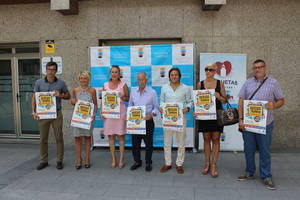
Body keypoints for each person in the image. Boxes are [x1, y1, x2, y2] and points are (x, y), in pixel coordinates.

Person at [237, 59, 284, 190]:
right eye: (255, 67)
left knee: (265, 150)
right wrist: (240, 119)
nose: (257, 69)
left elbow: (281, 100)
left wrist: (273, 105)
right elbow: (241, 101)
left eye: (260, 67)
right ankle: (249, 172)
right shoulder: (248, 83)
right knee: (249, 149)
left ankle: (266, 176)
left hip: (265, 123)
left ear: (265, 68)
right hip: (248, 123)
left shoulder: (273, 83)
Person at [31, 61, 70, 170]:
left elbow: (68, 95)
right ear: (46, 70)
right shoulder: (39, 82)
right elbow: (34, 97)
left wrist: (60, 95)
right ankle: (44, 161)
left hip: (56, 113)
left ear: (56, 71)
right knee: (43, 139)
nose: (50, 72)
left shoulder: (61, 83)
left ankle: (59, 160)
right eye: (49, 69)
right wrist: (33, 111)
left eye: (53, 69)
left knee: (59, 137)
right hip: (43, 114)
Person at [160, 68, 193, 174]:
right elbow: (161, 101)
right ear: (169, 76)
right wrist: (161, 107)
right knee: (167, 142)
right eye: (172, 75)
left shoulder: (186, 88)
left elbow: (190, 101)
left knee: (181, 142)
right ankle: (168, 163)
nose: (174, 76)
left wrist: (187, 108)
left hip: (181, 118)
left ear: (179, 76)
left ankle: (179, 164)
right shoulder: (164, 88)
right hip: (168, 118)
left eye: (176, 75)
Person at [196, 63, 227, 178]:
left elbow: (225, 101)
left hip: (217, 115)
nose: (208, 71)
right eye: (206, 69)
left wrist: (219, 96)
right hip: (205, 115)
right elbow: (197, 100)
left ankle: (214, 165)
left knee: (215, 139)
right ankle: (207, 163)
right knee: (206, 139)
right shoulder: (200, 84)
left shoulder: (220, 83)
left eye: (210, 70)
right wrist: (197, 111)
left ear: (215, 71)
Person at [128, 72, 159, 172]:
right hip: (135, 122)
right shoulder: (133, 92)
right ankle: (137, 161)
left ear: (146, 80)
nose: (141, 81)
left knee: (148, 143)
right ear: (137, 80)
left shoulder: (152, 92)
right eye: (139, 79)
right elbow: (130, 106)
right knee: (135, 143)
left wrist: (151, 115)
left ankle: (148, 162)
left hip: (148, 122)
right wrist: (129, 117)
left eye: (143, 79)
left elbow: (156, 108)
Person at [102, 65, 129, 168]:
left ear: (119, 74)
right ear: (110, 73)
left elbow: (127, 98)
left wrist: (122, 96)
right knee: (111, 137)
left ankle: (122, 159)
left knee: (121, 136)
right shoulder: (105, 85)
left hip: (120, 113)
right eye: (112, 72)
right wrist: (102, 112)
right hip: (109, 114)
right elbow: (103, 100)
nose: (114, 74)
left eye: (116, 72)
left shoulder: (123, 85)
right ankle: (113, 159)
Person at [70, 71, 97, 170]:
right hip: (77, 118)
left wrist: (93, 114)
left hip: (88, 119)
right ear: (79, 79)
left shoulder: (93, 90)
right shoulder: (75, 90)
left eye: (85, 78)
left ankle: (87, 159)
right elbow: (72, 101)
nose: (83, 80)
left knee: (87, 138)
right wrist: (73, 101)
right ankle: (78, 159)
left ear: (88, 79)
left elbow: (95, 104)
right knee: (77, 138)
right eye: (81, 78)